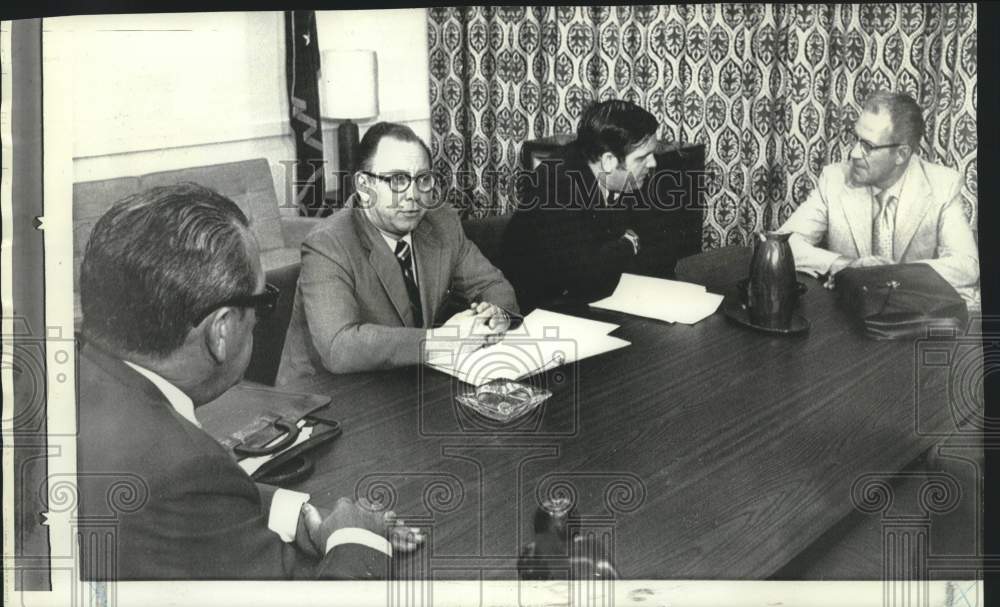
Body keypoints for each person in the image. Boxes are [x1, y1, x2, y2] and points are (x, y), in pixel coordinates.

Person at [77, 183, 422, 580]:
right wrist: (358, 538)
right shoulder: (182, 465)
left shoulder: (76, 378)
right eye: (262, 301)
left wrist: (297, 515)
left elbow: (189, 502)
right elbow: (185, 485)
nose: (259, 318)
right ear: (220, 331)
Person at [277, 122, 519, 382]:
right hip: (327, 397)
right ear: (364, 185)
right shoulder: (328, 244)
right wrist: (443, 340)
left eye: (423, 179)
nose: (413, 195)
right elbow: (340, 347)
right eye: (398, 180)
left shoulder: (442, 223)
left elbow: (495, 286)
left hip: (407, 381)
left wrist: (495, 317)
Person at [779, 90, 979, 305]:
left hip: (913, 318)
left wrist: (890, 274)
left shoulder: (942, 186)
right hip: (850, 316)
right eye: (855, 139)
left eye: (868, 146)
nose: (854, 154)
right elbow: (782, 244)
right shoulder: (834, 178)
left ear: (901, 154)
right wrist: (844, 264)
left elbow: (966, 266)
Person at [501, 99, 659, 311]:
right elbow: (584, 274)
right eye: (643, 158)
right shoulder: (558, 184)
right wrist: (630, 243)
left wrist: (623, 245)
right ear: (609, 161)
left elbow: (655, 242)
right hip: (537, 310)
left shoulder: (617, 174)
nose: (653, 164)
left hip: (591, 300)